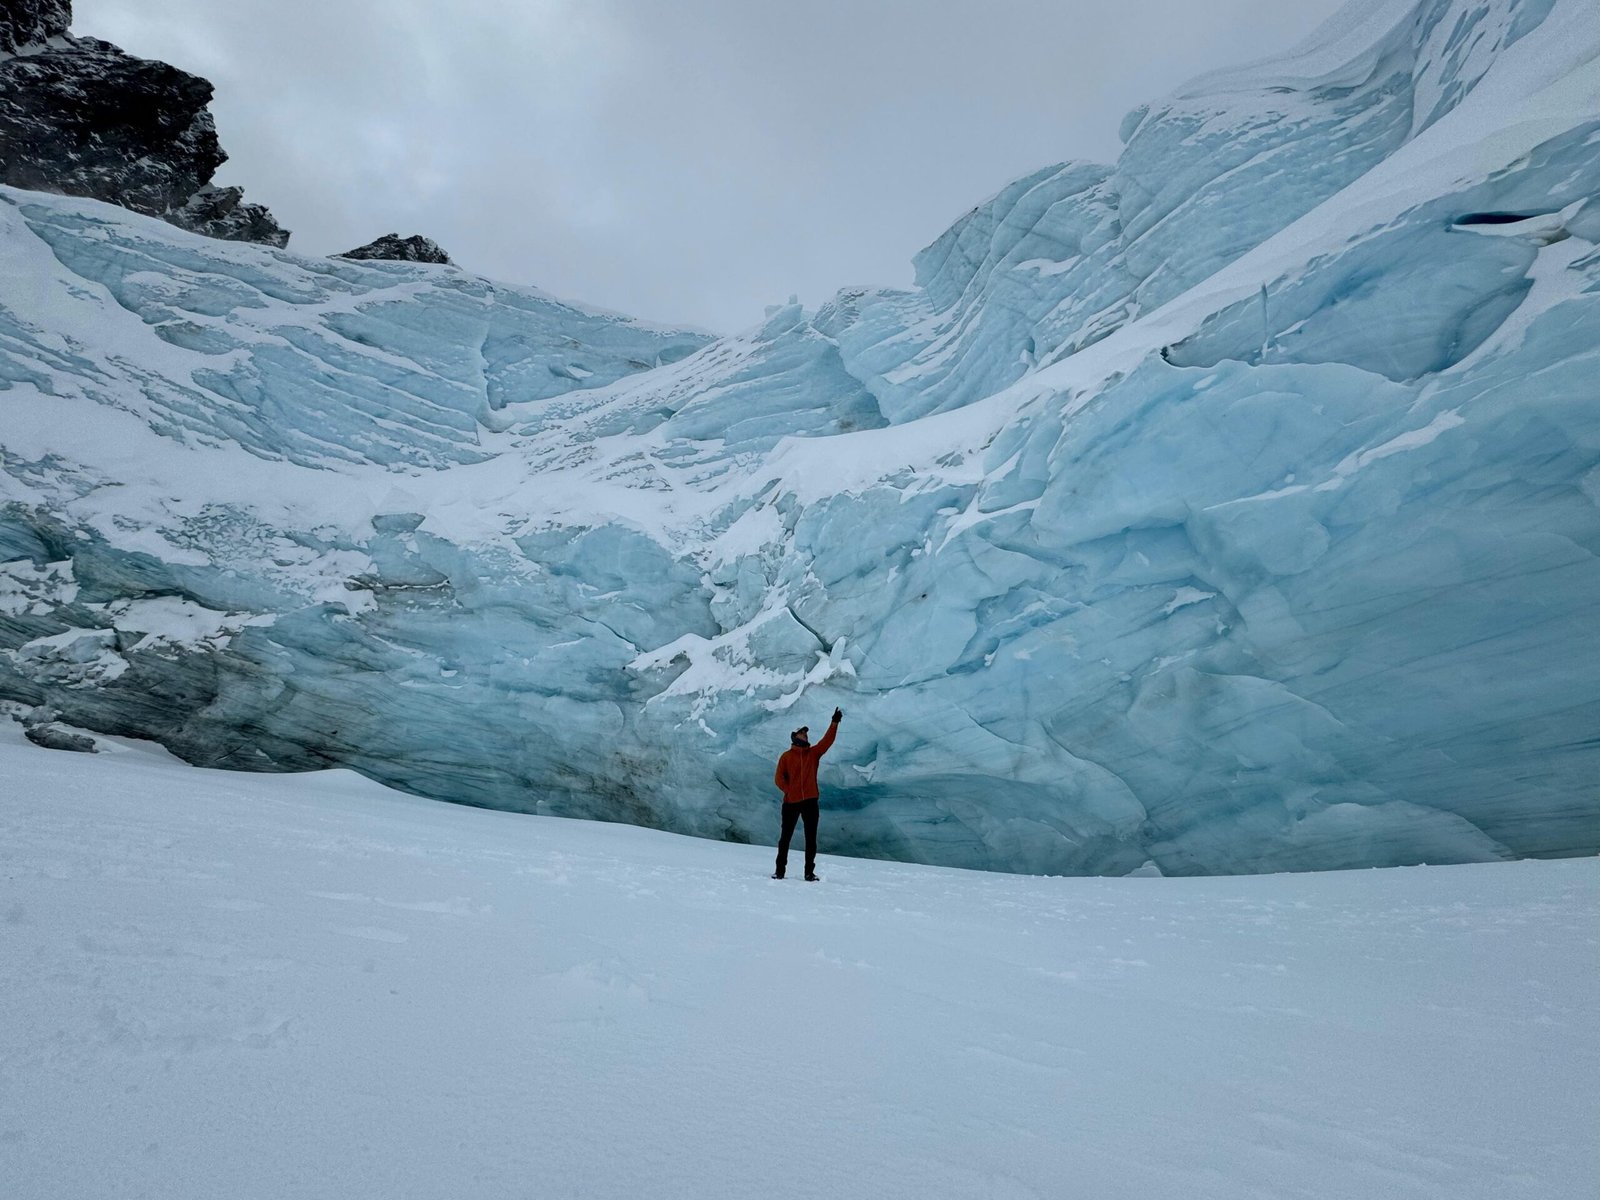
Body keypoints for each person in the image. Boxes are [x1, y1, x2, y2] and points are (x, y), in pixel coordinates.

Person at [772, 708, 841, 881]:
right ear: (795, 737)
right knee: (785, 838)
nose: (806, 735)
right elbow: (779, 778)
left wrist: (834, 723)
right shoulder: (786, 757)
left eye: (806, 733)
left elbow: (827, 741)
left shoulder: (813, 754)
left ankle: (809, 873)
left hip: (810, 801)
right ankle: (780, 871)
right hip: (791, 802)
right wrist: (790, 791)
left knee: (811, 838)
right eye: (802, 733)